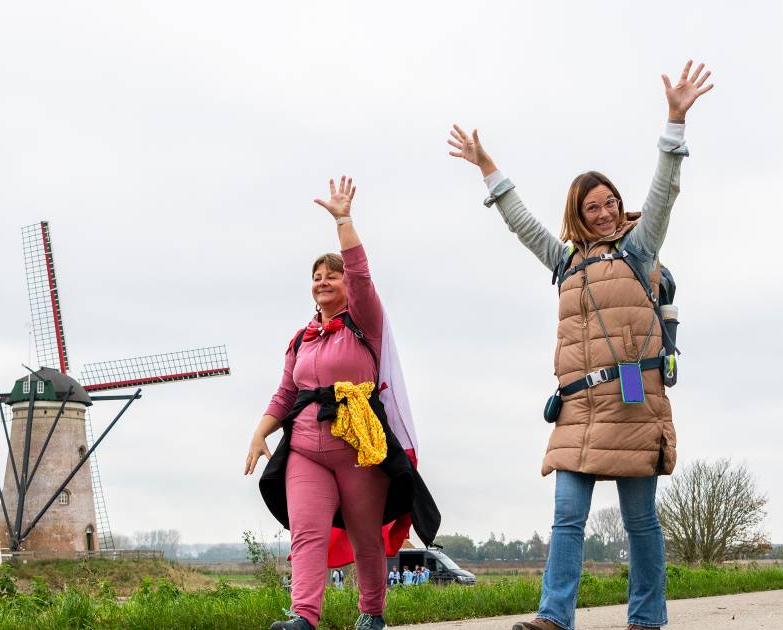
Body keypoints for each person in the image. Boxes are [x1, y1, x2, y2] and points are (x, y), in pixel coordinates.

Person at [446, 61, 714, 630]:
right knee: (568, 515)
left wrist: (674, 125)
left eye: (610, 202)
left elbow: (663, 195)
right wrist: (487, 166)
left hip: (634, 400)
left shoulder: (639, 250)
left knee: (641, 521)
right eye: (592, 206)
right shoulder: (563, 260)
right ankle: (554, 617)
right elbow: (520, 222)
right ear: (578, 214)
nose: (605, 211)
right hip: (576, 406)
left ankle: (646, 619)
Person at [246, 177, 441, 630]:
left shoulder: (364, 324)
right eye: (316, 276)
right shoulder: (302, 338)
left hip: (358, 447)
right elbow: (285, 394)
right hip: (306, 449)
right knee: (307, 534)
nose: (323, 281)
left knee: (364, 536)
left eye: (331, 274)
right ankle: (304, 618)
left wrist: (343, 221)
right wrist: (260, 434)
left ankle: (371, 614)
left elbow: (360, 272)